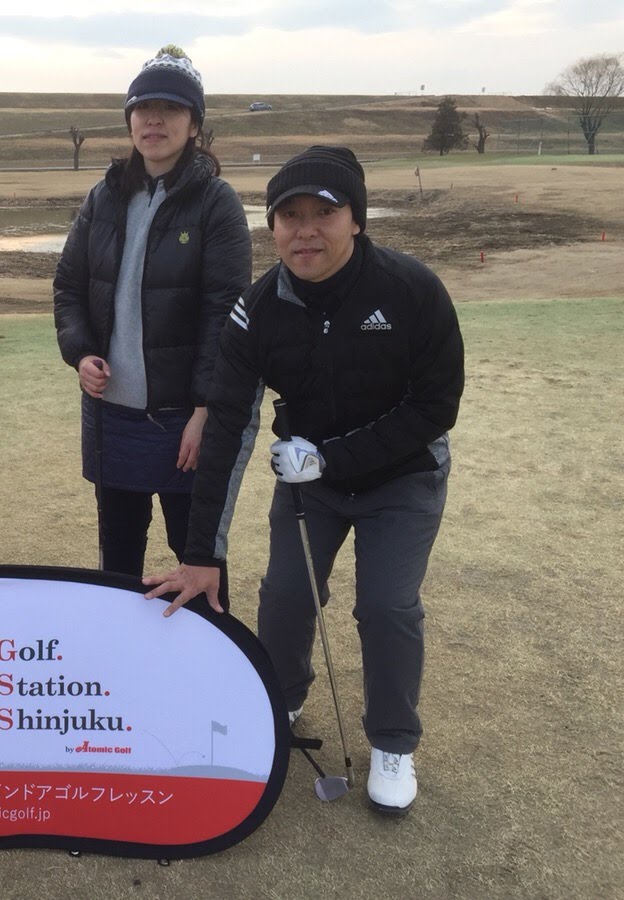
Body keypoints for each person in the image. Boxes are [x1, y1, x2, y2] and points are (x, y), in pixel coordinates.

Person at [143, 146, 465, 815]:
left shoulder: (412, 289)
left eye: (324, 213)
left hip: (403, 477)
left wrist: (331, 459)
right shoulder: (257, 308)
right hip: (309, 483)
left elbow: (435, 408)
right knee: (287, 594)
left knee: (386, 606)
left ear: (357, 219)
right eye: (289, 215)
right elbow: (227, 426)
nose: (305, 231)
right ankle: (279, 699)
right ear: (273, 226)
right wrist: (202, 554)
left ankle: (393, 742)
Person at [53, 48, 251, 577]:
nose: (154, 120)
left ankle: (207, 636)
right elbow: (69, 286)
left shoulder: (217, 203)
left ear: (195, 124)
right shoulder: (103, 197)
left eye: (171, 109)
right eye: (143, 108)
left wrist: (205, 411)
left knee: (197, 559)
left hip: (185, 419)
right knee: (117, 561)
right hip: (111, 415)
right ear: (130, 120)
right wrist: (81, 353)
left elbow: (225, 314)